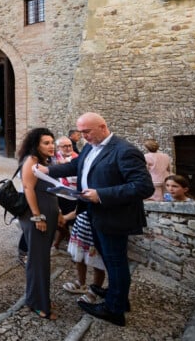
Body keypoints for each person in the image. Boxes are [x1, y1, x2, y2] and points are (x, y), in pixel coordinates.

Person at [46, 112, 154, 327]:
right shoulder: (90, 146)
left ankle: (114, 310)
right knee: (111, 260)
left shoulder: (125, 151)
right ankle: (118, 298)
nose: (83, 136)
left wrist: (101, 195)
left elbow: (143, 187)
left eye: (87, 131)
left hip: (114, 216)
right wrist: (47, 170)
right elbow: (76, 167)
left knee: (116, 262)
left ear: (103, 127)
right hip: (95, 214)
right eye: (81, 132)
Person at [18, 127, 59, 320]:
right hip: (37, 215)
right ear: (36, 144)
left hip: (48, 213)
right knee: (38, 260)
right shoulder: (32, 160)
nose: (51, 146)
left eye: (52, 142)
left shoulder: (45, 161)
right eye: (46, 143)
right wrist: (37, 216)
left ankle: (40, 297)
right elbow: (28, 188)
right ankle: (37, 303)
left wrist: (57, 212)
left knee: (43, 258)